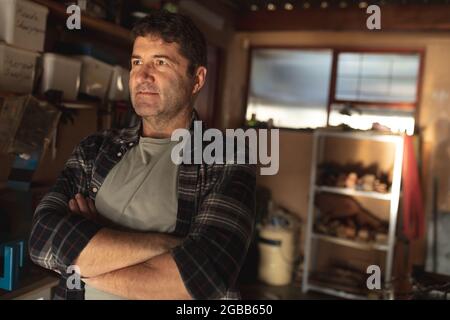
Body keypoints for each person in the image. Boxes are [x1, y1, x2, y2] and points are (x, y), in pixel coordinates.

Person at [28, 9, 255, 300]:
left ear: (197, 79)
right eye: (137, 62)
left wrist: (87, 250)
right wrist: (168, 245)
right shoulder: (94, 149)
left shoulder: (227, 158)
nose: (142, 75)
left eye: (160, 62)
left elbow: (201, 278)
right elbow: (42, 240)